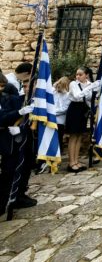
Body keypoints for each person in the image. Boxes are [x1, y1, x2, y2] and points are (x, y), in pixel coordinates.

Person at [0, 73, 37, 214]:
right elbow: (3, 117)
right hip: (7, 140)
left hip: (20, 139)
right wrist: (18, 113)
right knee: (7, 171)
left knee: (24, 166)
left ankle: (18, 195)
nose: (2, 89)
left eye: (3, 86)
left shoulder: (9, 97)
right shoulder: (10, 98)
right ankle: (5, 201)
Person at [65, 67, 93, 173]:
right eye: (77, 74)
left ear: (86, 75)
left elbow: (89, 98)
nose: (78, 76)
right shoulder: (74, 84)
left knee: (79, 136)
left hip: (83, 110)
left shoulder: (90, 84)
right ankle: (71, 162)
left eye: (80, 74)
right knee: (73, 136)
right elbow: (77, 96)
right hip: (75, 109)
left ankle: (76, 160)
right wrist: (88, 89)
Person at [52, 76, 71, 157]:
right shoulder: (53, 92)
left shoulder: (67, 95)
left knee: (59, 137)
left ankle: (59, 153)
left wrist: (53, 112)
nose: (59, 88)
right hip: (51, 118)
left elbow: (64, 109)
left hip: (60, 120)